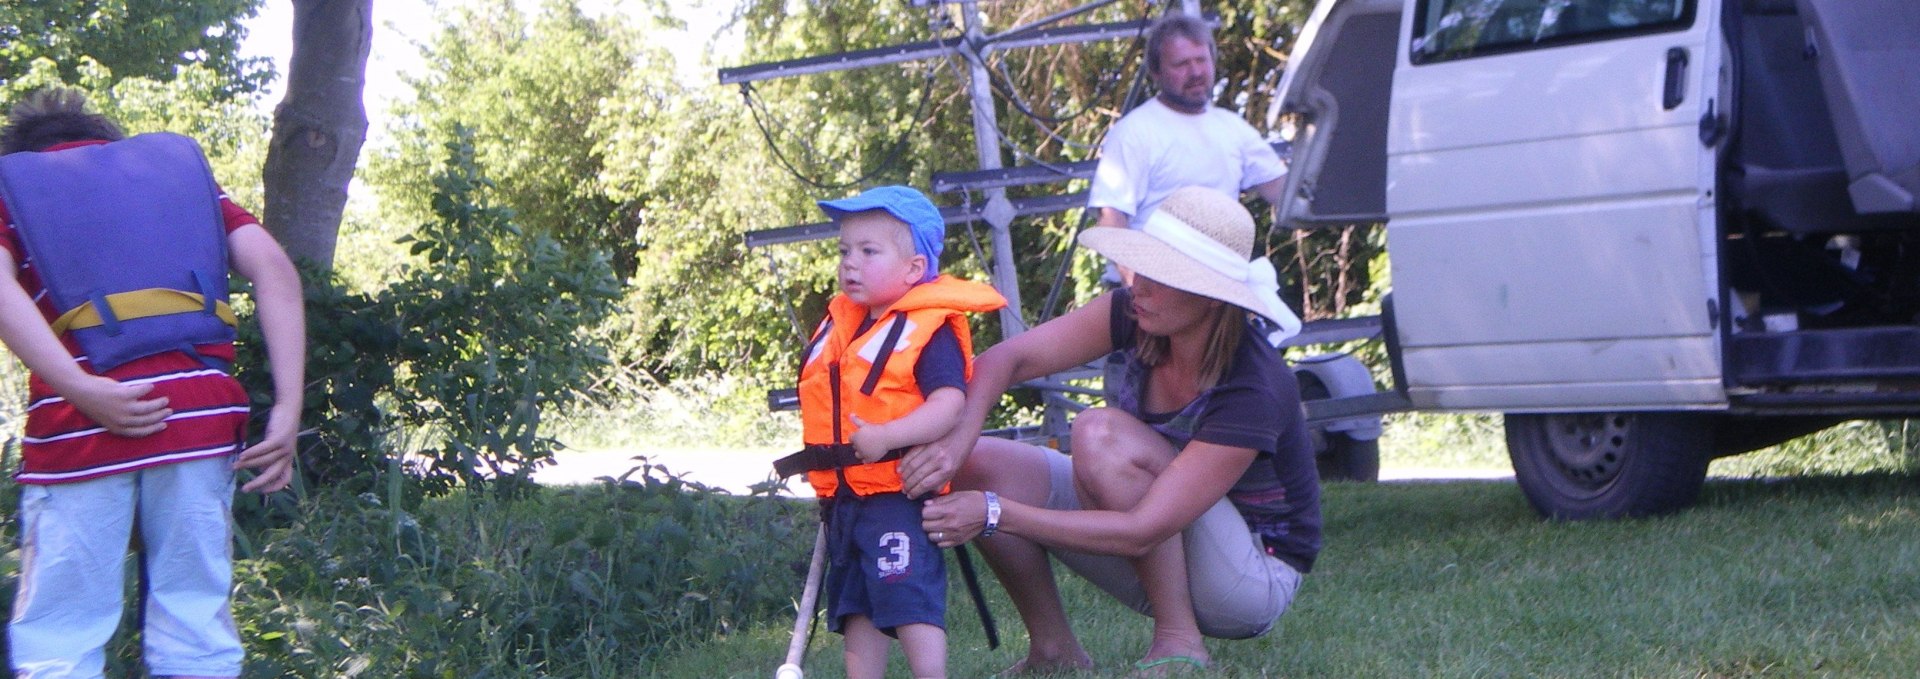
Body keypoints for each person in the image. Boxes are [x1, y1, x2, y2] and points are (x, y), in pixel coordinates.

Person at [910, 186, 1321, 675]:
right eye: (1141, 266)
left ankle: (1178, 641)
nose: (1139, 285)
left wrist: (993, 513)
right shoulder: (1135, 312)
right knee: (981, 461)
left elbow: (1143, 529)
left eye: (1163, 276)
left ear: (1212, 296)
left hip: (1248, 580)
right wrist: (954, 448)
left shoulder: (1255, 386)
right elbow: (1005, 359)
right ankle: (1053, 651)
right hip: (1166, 537)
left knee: (1100, 433)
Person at [0, 88, 306, 678]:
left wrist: (77, 385)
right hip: (200, 421)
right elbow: (274, 268)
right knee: (195, 624)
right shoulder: (182, 185)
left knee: (61, 634)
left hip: (83, 425)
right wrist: (288, 409)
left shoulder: (12, 188)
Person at [773, 185, 1006, 679]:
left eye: (868, 251)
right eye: (844, 251)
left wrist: (888, 434)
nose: (849, 264)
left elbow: (949, 404)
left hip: (897, 491)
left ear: (914, 270)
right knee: (855, 602)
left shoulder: (929, 328)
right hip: (847, 499)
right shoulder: (849, 327)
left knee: (907, 593)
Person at [1089, 12, 1289, 232]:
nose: (1195, 72)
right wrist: (1130, 266)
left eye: (1201, 60)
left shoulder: (1233, 129)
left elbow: (1286, 193)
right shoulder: (1134, 132)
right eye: (1181, 64)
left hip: (1220, 265)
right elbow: (1111, 218)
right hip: (1152, 264)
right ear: (1156, 73)